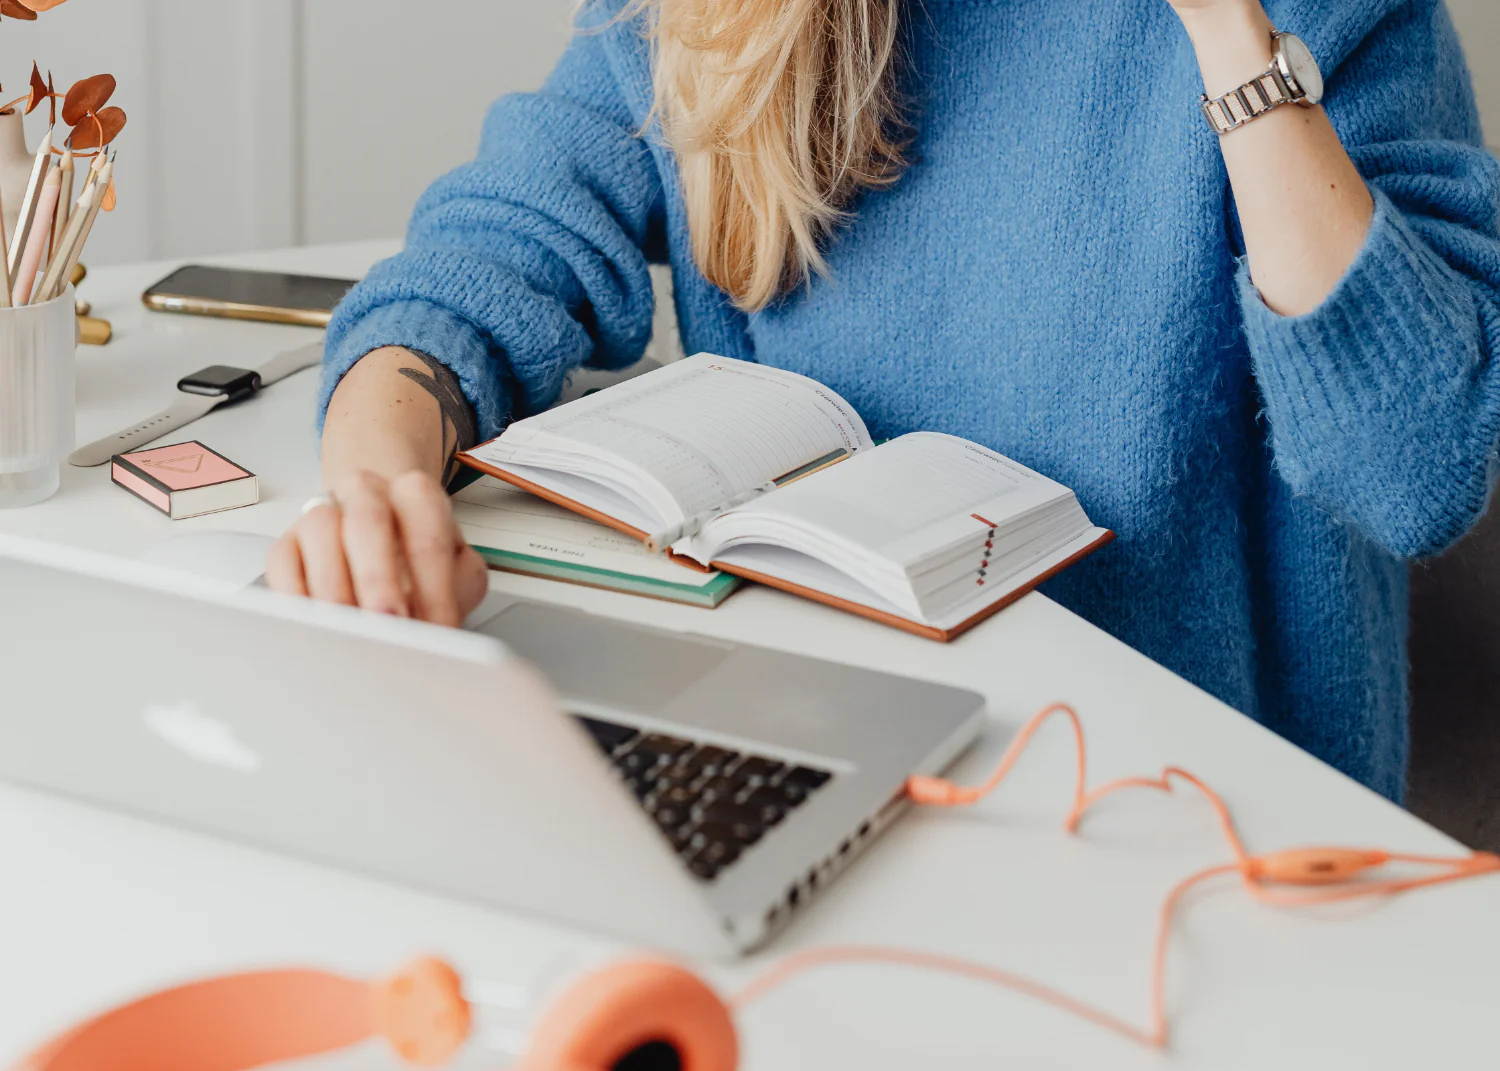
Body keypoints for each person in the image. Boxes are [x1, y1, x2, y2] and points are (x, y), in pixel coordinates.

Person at [268, 0, 1500, 802]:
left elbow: (1415, 468)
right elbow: (483, 261)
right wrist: (376, 489)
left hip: (1194, 838)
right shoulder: (716, 20)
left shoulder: (1334, 20)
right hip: (820, 777)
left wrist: (1233, 37)